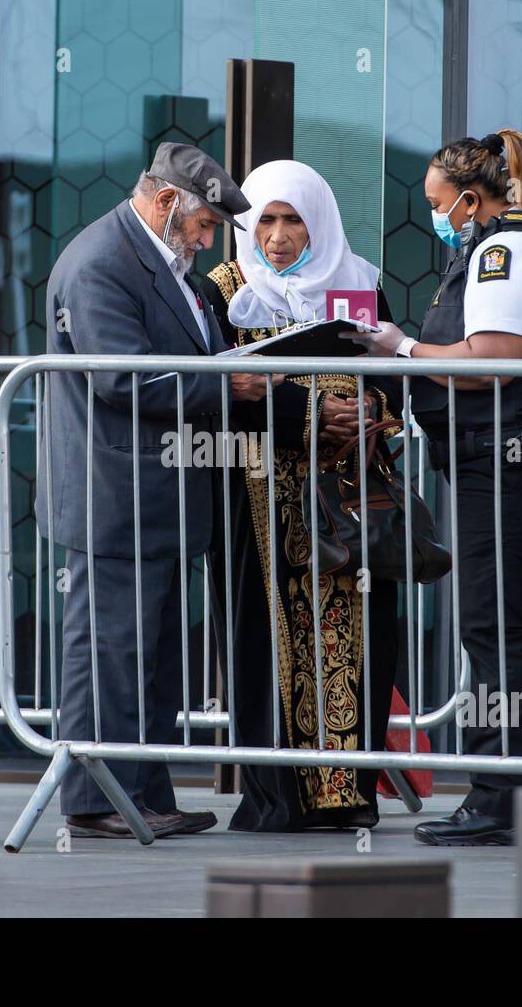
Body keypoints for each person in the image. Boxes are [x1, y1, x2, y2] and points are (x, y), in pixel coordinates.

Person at [344, 130, 522, 846]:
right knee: (512, 627)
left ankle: (507, 797)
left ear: (471, 198)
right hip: (518, 461)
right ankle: (520, 793)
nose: (437, 217)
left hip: (515, 464)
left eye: (439, 204)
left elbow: (490, 361)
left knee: (499, 629)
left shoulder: (503, 249)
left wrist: (397, 347)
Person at [37, 142, 280, 839]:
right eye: (204, 225)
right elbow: (124, 377)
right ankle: (96, 799)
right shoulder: (100, 262)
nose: (208, 242)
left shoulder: (159, 262)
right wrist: (226, 381)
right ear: (169, 203)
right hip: (118, 489)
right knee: (111, 648)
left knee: (152, 651)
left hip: (160, 491)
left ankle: (142, 791)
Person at [198, 159, 402, 832]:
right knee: (264, 638)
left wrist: (365, 412)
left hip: (347, 494)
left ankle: (347, 793)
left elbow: (391, 385)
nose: (278, 237)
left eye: (293, 220)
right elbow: (217, 393)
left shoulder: (359, 281)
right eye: (265, 221)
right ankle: (277, 796)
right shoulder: (223, 289)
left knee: (361, 635)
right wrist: (308, 408)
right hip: (256, 495)